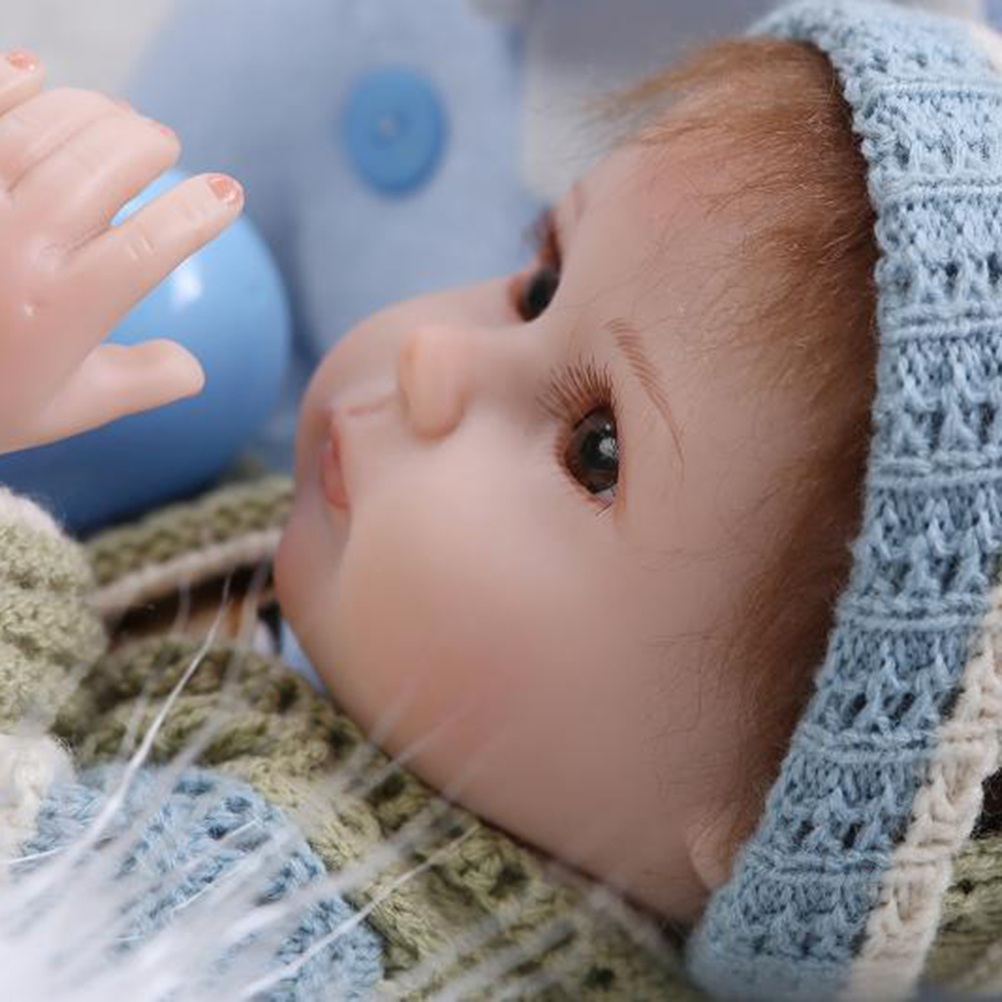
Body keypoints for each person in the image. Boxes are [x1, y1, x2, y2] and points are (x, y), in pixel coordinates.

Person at [4, 1, 1002, 998]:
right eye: (540, 285)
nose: (433, 359)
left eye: (596, 449)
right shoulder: (391, 663)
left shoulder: (307, 931)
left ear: (770, 823)